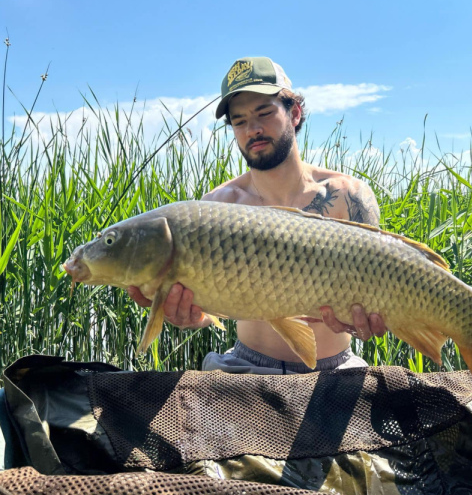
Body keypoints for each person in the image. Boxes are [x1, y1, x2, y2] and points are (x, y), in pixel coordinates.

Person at [127, 56, 387, 374]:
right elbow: (212, 309)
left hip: (335, 370)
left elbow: (380, 291)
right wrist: (192, 316)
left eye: (264, 113)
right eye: (239, 121)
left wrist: (370, 322)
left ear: (294, 113)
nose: (253, 129)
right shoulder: (217, 208)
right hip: (245, 366)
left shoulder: (350, 196)